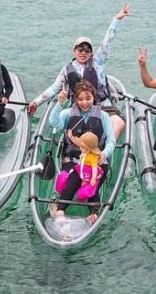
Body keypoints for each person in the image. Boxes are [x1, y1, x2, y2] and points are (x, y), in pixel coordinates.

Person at [28, 3, 130, 140]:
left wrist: (116, 20)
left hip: (102, 106)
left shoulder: (98, 61)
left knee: (118, 123)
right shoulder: (67, 69)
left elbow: (107, 41)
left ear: (92, 52)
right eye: (80, 49)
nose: (83, 52)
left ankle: (105, 152)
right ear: (74, 51)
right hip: (78, 107)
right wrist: (36, 102)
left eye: (87, 50)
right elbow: (54, 89)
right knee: (77, 130)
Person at [49, 80, 115, 223]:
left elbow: (111, 141)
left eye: (88, 99)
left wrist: (104, 154)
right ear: (75, 99)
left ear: (93, 97)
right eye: (80, 99)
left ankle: (93, 213)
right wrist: (59, 103)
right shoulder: (67, 113)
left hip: (97, 161)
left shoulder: (103, 116)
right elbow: (54, 123)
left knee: (93, 184)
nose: (84, 103)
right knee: (75, 176)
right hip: (73, 160)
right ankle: (61, 210)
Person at [54, 131, 104, 202]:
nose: (80, 148)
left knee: (84, 185)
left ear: (89, 149)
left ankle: (83, 198)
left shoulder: (93, 157)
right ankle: (67, 193)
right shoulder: (85, 151)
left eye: (82, 147)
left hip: (88, 175)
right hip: (82, 172)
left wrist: (93, 178)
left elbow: (94, 168)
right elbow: (79, 143)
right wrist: (71, 137)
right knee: (68, 177)